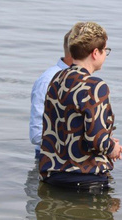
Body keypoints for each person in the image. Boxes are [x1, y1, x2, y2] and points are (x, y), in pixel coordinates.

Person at [39, 21, 122, 189]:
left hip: (52, 175)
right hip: (84, 178)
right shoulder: (94, 85)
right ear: (95, 53)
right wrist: (112, 147)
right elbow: (97, 141)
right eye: (105, 51)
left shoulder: (56, 79)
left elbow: (63, 127)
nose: (105, 55)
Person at [29, 30, 73, 159]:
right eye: (101, 50)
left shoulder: (84, 82)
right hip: (52, 159)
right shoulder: (48, 80)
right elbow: (37, 134)